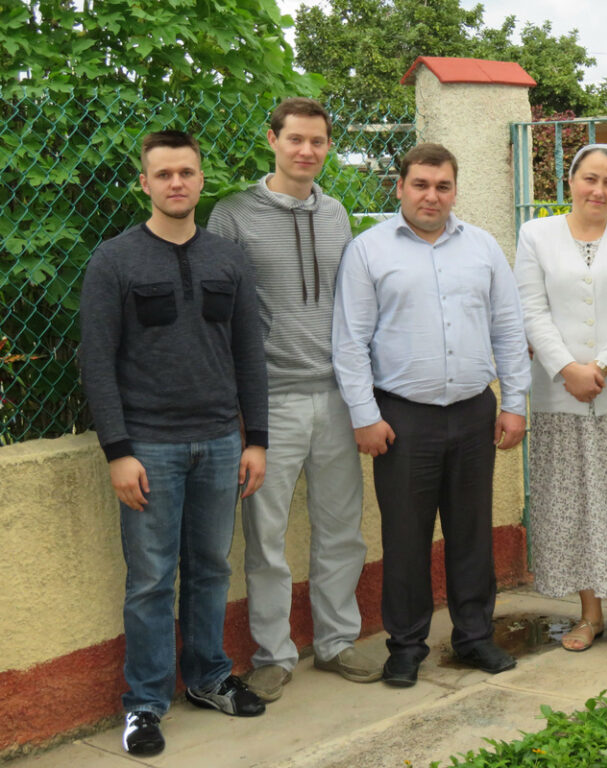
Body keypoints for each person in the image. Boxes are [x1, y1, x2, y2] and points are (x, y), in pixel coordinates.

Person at [79, 130, 268, 756]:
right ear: (145, 183)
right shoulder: (114, 261)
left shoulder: (228, 259)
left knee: (212, 568)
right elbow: (97, 364)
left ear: (201, 177)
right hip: (150, 448)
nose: (177, 183)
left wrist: (255, 439)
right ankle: (145, 704)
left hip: (219, 442)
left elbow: (248, 353)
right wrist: (118, 451)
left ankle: (210, 678)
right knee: (152, 580)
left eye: (186, 172)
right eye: (163, 175)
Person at [332, 143, 531, 687]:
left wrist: (514, 402)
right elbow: (349, 342)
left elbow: (509, 330)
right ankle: (406, 646)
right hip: (401, 418)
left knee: (471, 534)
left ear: (454, 190)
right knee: (405, 537)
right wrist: (364, 414)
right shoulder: (369, 250)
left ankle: (473, 637)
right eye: (420, 184)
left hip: (472, 412)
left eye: (442, 186)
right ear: (400, 187)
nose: (431, 195)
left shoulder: (483, 248)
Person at [207, 98, 379, 702]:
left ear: (329, 146)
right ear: (273, 140)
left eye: (318, 141)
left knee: (341, 530)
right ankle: (273, 654)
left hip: (334, 396)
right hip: (269, 403)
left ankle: (335, 643)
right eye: (296, 139)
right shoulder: (231, 216)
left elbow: (352, 309)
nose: (307, 151)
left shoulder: (336, 214)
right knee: (267, 537)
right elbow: (215, 314)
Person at [513, 144, 607, 654]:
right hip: (559, 395)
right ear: (570, 180)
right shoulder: (535, 234)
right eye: (590, 179)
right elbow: (531, 310)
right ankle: (588, 615)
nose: (599, 190)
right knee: (573, 502)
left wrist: (598, 368)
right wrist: (567, 369)